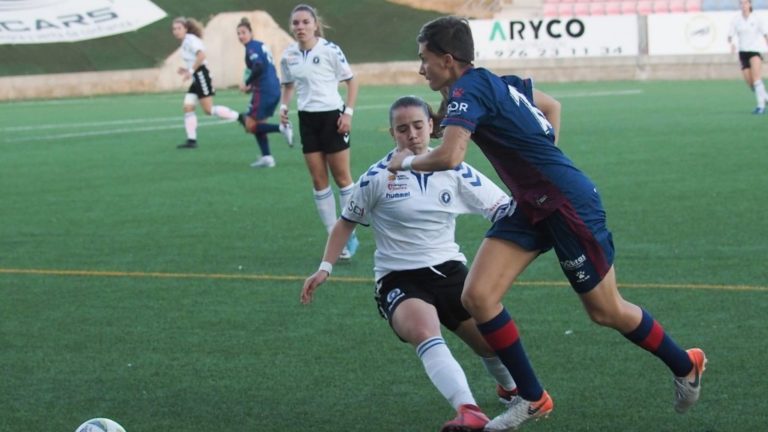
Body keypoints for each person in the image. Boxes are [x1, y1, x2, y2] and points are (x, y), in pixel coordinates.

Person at [387, 16, 707, 431]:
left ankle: (686, 364)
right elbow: (553, 106)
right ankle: (533, 398)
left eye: (424, 59)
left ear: (448, 60)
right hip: (532, 204)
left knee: (605, 311)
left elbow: (450, 157)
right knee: (478, 296)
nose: (420, 68)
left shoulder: (468, 90)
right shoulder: (491, 83)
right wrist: (537, 162)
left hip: (568, 204)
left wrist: (405, 161)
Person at [301, 95, 520, 432]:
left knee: (488, 344)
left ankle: (510, 388)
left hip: (449, 271)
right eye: (402, 129)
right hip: (399, 278)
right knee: (423, 330)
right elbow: (345, 222)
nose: (412, 134)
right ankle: (468, 409)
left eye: (418, 126)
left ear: (431, 126)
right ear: (392, 134)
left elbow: (503, 210)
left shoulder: (455, 168)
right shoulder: (375, 177)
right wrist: (325, 267)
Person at [279, 4, 359, 259]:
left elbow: (351, 80)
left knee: (342, 178)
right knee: (318, 180)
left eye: (305, 22)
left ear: (315, 24)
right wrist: (284, 106)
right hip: (307, 119)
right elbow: (288, 85)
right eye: (296, 23)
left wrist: (348, 113)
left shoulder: (330, 50)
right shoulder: (288, 55)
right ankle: (335, 238)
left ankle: (349, 230)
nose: (300, 27)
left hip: (332, 117)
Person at [171, 16, 241, 149]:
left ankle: (240, 118)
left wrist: (190, 71)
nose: (176, 31)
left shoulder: (191, 40)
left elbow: (202, 55)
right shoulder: (186, 41)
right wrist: (187, 69)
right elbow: (195, 60)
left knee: (208, 110)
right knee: (188, 107)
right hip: (196, 76)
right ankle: (191, 140)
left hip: (201, 75)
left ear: (186, 28)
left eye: (179, 28)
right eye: (174, 29)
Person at [235, 17, 294, 168]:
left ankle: (282, 128)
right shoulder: (260, 45)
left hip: (265, 90)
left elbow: (259, 66)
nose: (241, 36)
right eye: (239, 33)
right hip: (273, 88)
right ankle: (267, 157)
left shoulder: (251, 48)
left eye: (243, 32)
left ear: (250, 32)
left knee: (248, 123)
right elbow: (263, 68)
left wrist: (247, 82)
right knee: (258, 124)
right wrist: (251, 86)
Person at [727, 0, 768, 114]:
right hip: (742, 52)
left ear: (750, 4)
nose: (743, 5)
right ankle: (765, 97)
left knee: (756, 78)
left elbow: (765, 34)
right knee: (750, 83)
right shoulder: (736, 20)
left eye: (745, 3)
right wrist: (732, 44)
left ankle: (761, 106)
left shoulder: (756, 18)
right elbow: (730, 36)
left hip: (754, 51)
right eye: (741, 3)